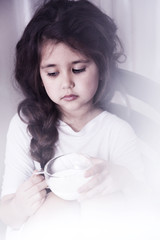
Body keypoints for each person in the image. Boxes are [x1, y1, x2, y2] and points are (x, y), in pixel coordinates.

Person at [0, 0, 145, 238]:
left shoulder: (116, 131)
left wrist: (122, 178)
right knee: (59, 202)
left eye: (78, 69)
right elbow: (7, 213)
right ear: (39, 74)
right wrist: (19, 205)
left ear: (102, 66)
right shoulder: (25, 126)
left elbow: (145, 206)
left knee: (102, 199)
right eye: (52, 73)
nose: (66, 83)